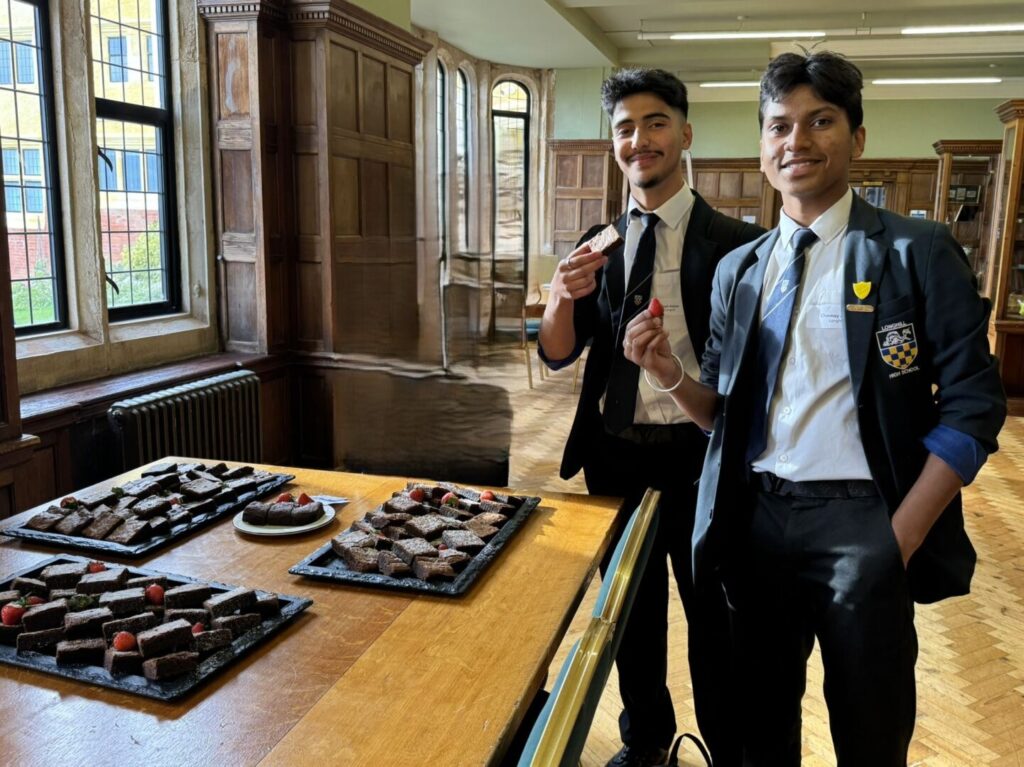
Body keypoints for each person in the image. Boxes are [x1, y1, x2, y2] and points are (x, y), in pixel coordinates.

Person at [622, 51, 1007, 765]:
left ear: (856, 139)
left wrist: (898, 539)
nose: (796, 140)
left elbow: (974, 406)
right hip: (758, 522)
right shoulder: (742, 269)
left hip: (867, 522)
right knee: (760, 729)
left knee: (870, 725)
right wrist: (672, 375)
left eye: (819, 121)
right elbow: (724, 418)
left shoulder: (913, 251)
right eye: (779, 126)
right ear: (762, 147)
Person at [538, 68, 763, 767]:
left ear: (685, 133)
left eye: (656, 122)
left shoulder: (734, 242)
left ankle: (729, 747)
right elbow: (558, 352)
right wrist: (559, 297)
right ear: (614, 144)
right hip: (615, 453)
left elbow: (750, 372)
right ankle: (646, 743)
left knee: (714, 618)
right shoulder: (599, 242)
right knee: (630, 615)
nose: (640, 139)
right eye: (625, 128)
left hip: (703, 456)